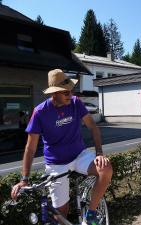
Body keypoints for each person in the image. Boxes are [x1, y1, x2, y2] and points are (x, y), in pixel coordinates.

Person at [11, 69, 113, 225]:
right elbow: (30, 148)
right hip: (56, 164)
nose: (70, 95)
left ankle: (91, 214)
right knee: (60, 215)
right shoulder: (40, 112)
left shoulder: (75, 103)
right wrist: (24, 179)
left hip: (80, 155)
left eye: (71, 90)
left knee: (105, 168)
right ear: (54, 93)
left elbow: (93, 127)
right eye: (65, 92)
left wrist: (99, 153)